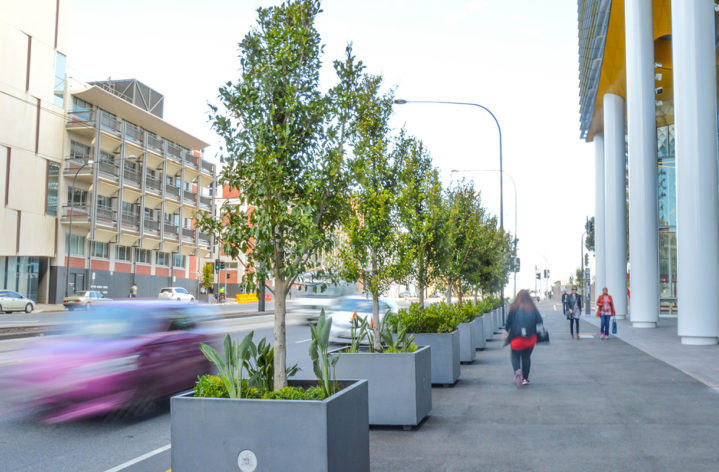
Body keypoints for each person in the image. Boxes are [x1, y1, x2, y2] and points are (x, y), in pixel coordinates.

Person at [503, 290, 544, 388]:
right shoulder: (533, 308)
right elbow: (540, 321)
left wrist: (505, 333)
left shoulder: (513, 308)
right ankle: (525, 379)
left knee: (514, 356)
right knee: (526, 357)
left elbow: (508, 322)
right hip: (530, 339)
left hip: (516, 339)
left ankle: (517, 371)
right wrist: (539, 334)